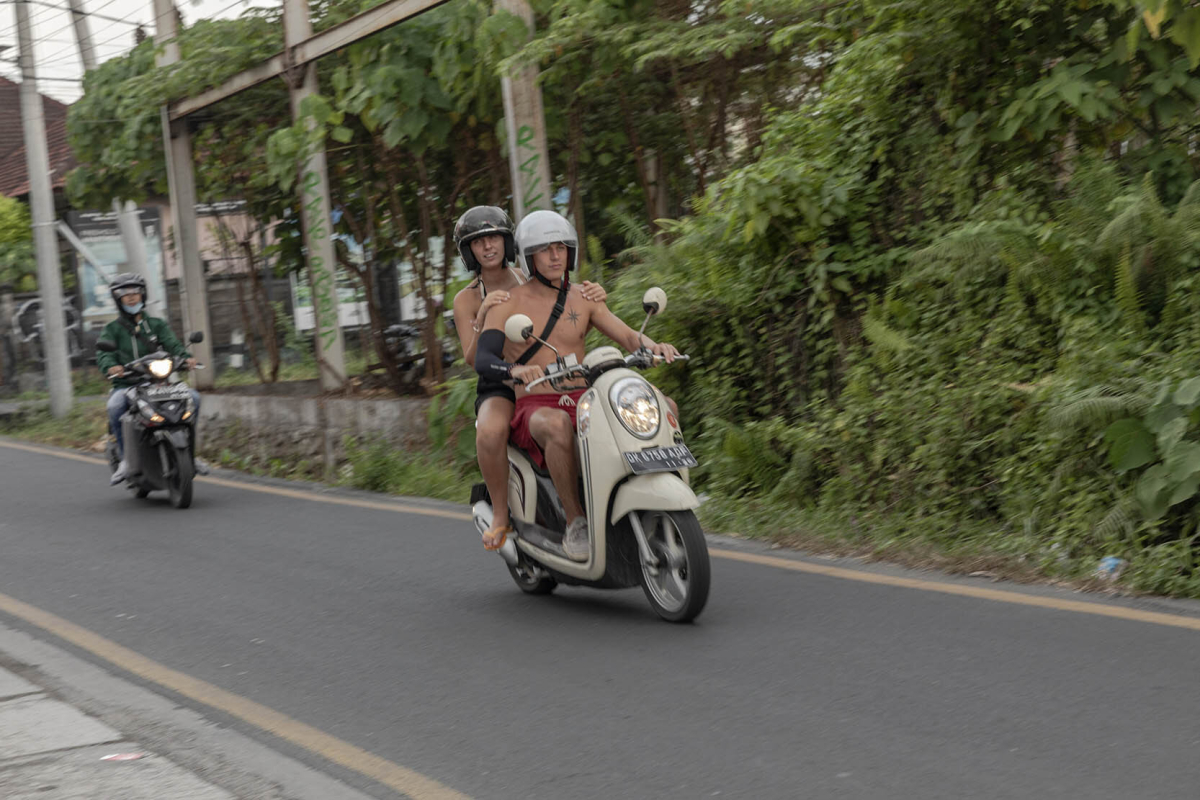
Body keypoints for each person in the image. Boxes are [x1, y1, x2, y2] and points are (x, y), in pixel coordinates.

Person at [474, 211, 680, 561]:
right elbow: (483, 358)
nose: (556, 256)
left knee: (665, 406)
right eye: (545, 250)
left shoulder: (584, 297)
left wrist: (654, 347)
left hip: (585, 396)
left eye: (562, 248)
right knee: (556, 426)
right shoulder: (508, 305)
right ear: (529, 256)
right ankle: (575, 522)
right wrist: (513, 369)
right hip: (537, 404)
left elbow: (629, 336)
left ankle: (664, 496)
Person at [450, 206, 608, 552]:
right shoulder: (466, 299)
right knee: (491, 431)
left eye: (493, 238)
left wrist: (592, 293)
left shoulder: (530, 279)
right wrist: (483, 316)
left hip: (552, 380)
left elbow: (568, 303)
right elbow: (474, 358)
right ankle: (502, 514)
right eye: (477, 242)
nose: (487, 247)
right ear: (468, 252)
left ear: (509, 243)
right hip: (501, 382)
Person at [96, 273, 200, 486]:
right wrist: (111, 367)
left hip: (158, 383)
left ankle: (191, 455)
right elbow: (104, 354)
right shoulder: (112, 329)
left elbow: (173, 345)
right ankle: (125, 460)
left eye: (135, 292)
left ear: (143, 294)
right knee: (115, 406)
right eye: (125, 294)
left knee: (194, 398)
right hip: (126, 385)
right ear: (118, 299)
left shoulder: (156, 324)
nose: (131, 297)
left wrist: (186, 358)